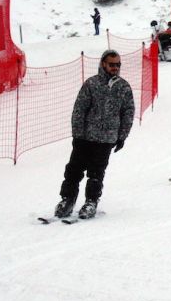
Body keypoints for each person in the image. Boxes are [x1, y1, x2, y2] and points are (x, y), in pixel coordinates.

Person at [54, 49, 135, 219]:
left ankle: (91, 202)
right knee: (73, 170)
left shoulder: (123, 86)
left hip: (106, 139)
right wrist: (77, 135)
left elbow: (128, 112)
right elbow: (79, 110)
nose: (115, 68)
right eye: (112, 64)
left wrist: (122, 136)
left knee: (96, 173)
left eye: (118, 64)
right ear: (103, 64)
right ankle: (67, 200)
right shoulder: (92, 84)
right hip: (85, 137)